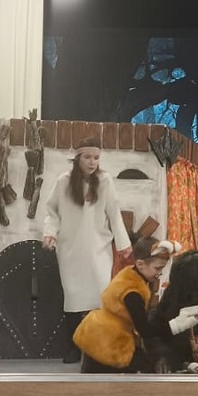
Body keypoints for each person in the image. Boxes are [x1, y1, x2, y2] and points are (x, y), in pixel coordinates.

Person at [42, 137, 132, 363]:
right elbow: (52, 212)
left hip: (98, 248)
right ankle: (74, 347)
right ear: (77, 158)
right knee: (73, 298)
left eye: (96, 157)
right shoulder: (63, 182)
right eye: (87, 157)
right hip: (70, 249)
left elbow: (114, 213)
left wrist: (124, 244)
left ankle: (95, 348)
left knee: (99, 296)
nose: (92, 162)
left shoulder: (104, 181)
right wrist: (50, 233)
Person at [73, 237, 198, 373]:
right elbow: (145, 330)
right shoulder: (132, 292)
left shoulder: (131, 274)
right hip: (107, 342)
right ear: (140, 264)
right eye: (157, 268)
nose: (160, 273)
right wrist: (176, 325)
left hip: (99, 333)